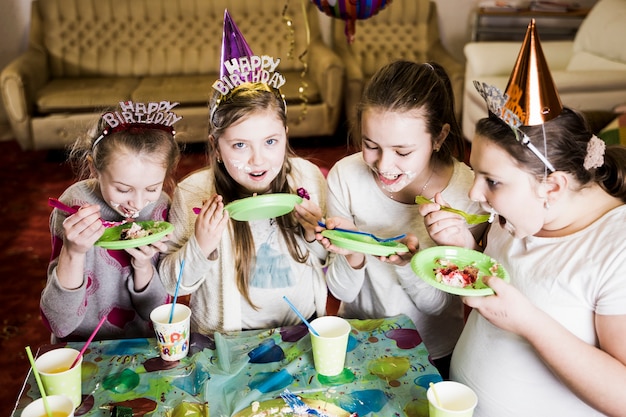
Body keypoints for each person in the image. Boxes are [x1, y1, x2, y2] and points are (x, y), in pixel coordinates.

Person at [450, 21, 626, 417]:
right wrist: (467, 254)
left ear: (554, 186)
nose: (475, 193)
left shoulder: (617, 249)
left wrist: (530, 322)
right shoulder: (517, 214)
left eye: (492, 181)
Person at [158, 11, 328, 335]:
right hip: (227, 340)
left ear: (286, 135)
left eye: (270, 141)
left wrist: (313, 235)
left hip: (303, 330)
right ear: (216, 145)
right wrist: (201, 244)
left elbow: (323, 262)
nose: (257, 159)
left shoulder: (308, 179)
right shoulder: (193, 193)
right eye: (239, 145)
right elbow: (173, 283)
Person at [318, 60, 487, 378]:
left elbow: (438, 306)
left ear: (438, 138)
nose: (384, 165)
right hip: (359, 340)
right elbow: (341, 293)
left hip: (434, 350)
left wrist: (410, 263)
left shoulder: (469, 193)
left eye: (402, 151)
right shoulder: (346, 177)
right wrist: (353, 252)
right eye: (371, 145)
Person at [42, 100, 182, 341]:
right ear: (94, 169)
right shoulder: (75, 206)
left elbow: (158, 314)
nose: (137, 204)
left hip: (141, 345)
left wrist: (143, 266)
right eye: (123, 189)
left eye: (152, 188)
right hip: (83, 347)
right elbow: (59, 323)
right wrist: (73, 253)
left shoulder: (160, 206)